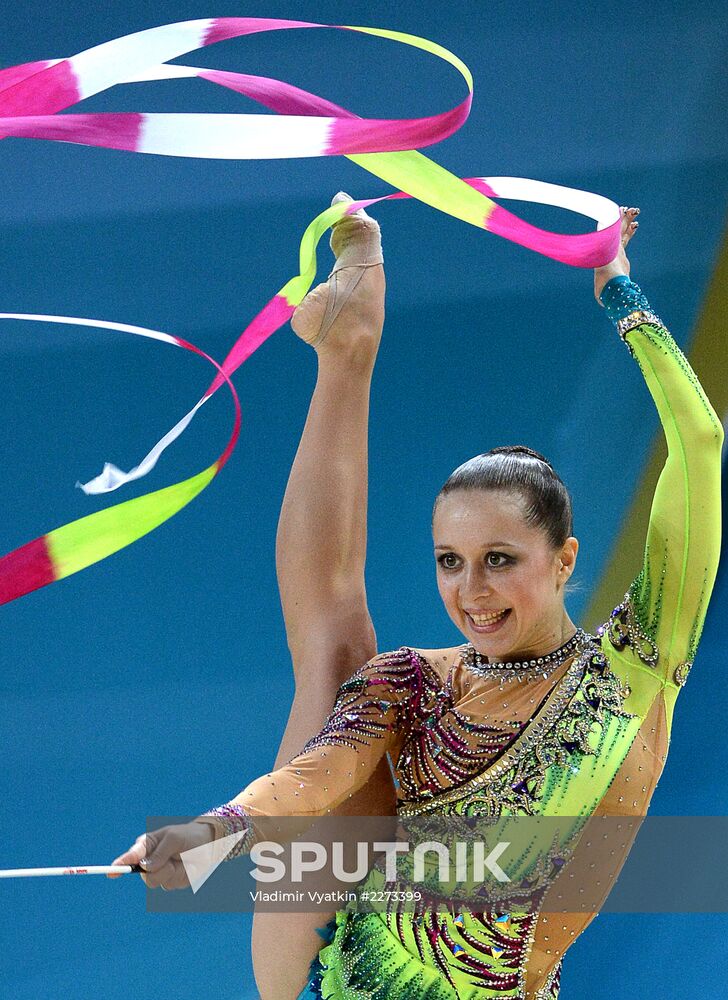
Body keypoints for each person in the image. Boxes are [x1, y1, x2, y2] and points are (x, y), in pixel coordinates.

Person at [111, 198, 724, 999]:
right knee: (332, 659)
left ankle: (349, 347)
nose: (471, 592)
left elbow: (702, 445)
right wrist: (212, 833)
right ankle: (347, 348)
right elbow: (319, 775)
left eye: (499, 559)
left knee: (335, 654)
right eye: (449, 561)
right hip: (341, 965)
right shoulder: (412, 681)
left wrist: (621, 294)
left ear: (565, 557)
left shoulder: (632, 665)